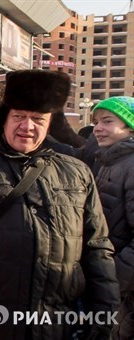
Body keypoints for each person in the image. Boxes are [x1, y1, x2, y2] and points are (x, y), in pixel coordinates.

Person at [0, 69, 120, 339]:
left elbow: (97, 248)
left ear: (50, 123)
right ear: (5, 118)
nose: (27, 127)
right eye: (19, 116)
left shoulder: (77, 172)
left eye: (37, 119)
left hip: (57, 323)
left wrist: (105, 316)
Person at [91, 96, 134, 340]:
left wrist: (111, 279)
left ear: (129, 126)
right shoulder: (110, 160)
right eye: (96, 121)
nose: (98, 128)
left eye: (107, 121)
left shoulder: (131, 165)